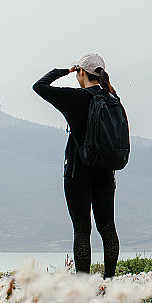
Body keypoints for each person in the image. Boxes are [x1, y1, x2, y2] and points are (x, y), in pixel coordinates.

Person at [32, 52, 120, 278]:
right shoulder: (111, 98)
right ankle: (109, 281)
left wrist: (64, 71)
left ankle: (83, 286)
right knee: (108, 229)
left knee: (82, 231)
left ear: (81, 72)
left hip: (77, 173)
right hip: (105, 173)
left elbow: (39, 86)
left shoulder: (74, 98)